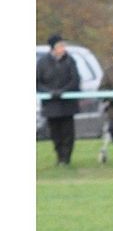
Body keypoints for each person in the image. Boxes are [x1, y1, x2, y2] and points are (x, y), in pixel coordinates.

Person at [37, 34, 80, 166]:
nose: (63, 48)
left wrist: (63, 92)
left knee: (68, 133)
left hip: (67, 105)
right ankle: (59, 156)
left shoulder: (70, 61)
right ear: (53, 48)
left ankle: (66, 159)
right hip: (51, 106)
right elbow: (37, 82)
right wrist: (49, 92)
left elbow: (75, 80)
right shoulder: (42, 62)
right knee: (55, 133)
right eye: (60, 45)